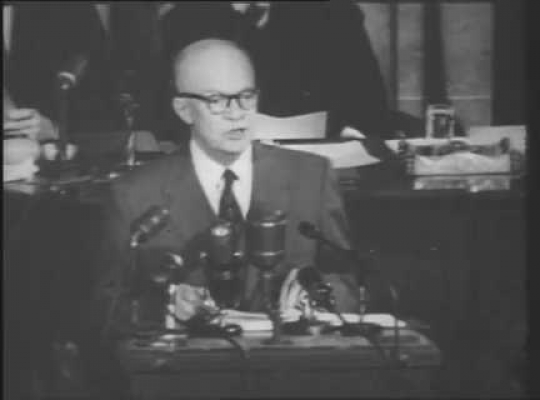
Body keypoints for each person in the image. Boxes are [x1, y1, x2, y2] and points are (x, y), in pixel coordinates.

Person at [90, 39, 360, 335]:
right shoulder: (134, 194)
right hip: (188, 361)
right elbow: (106, 307)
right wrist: (164, 308)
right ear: (184, 109)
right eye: (216, 100)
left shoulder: (312, 177)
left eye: (246, 96)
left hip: (288, 357)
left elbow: (346, 283)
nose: (236, 113)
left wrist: (318, 297)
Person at [159, 1, 393, 142]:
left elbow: (369, 107)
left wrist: (350, 136)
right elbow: (164, 114)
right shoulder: (182, 20)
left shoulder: (335, 14)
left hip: (314, 162)